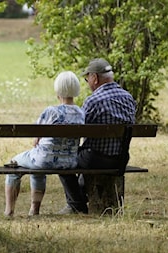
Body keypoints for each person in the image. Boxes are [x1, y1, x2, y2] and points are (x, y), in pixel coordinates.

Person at [57, 58, 137, 215]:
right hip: (120, 158)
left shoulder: (93, 101)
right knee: (83, 157)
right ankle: (81, 199)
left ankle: (76, 205)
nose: (88, 82)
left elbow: (77, 130)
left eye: (87, 79)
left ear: (95, 78)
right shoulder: (128, 98)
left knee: (62, 160)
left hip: (95, 158)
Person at [4, 71, 85, 217]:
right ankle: (34, 210)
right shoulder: (81, 113)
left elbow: (36, 138)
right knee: (36, 166)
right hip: (69, 162)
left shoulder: (51, 111)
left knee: (14, 164)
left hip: (44, 160)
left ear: (58, 90)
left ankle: (9, 210)